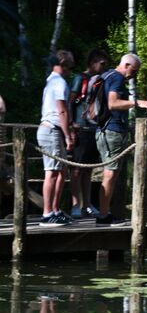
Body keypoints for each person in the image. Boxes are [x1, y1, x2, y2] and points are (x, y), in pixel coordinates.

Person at [96, 53, 147, 226]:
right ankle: (103, 216)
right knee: (110, 175)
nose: (134, 75)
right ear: (127, 65)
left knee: (112, 175)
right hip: (111, 130)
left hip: (104, 130)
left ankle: (106, 214)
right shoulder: (117, 78)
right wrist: (137, 103)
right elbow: (112, 103)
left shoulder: (105, 75)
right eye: (134, 71)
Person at [68, 49, 109, 219]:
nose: (104, 66)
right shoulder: (80, 79)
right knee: (77, 169)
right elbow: (69, 101)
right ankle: (75, 204)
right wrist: (70, 124)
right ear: (93, 62)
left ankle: (87, 204)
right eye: (102, 63)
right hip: (80, 128)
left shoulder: (100, 81)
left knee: (88, 169)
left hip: (93, 128)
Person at [37, 50, 76, 227]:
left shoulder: (51, 80)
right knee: (51, 172)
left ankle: (54, 210)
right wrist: (68, 135)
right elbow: (61, 110)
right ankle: (47, 214)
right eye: (70, 66)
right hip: (51, 130)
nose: (71, 70)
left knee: (60, 171)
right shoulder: (59, 82)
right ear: (64, 64)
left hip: (53, 130)